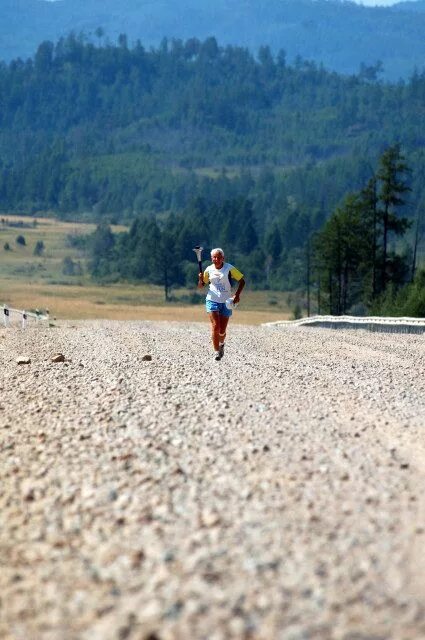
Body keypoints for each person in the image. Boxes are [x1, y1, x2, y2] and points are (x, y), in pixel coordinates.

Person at [198, 247, 245, 361]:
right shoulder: (208, 270)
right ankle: (216, 352)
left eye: (219, 257)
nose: (217, 259)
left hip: (226, 302)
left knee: (222, 331)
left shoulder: (229, 269)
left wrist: (237, 295)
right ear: (211, 258)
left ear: (223, 258)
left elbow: (242, 281)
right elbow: (201, 285)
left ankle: (221, 344)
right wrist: (200, 279)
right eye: (214, 257)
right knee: (215, 326)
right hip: (212, 299)